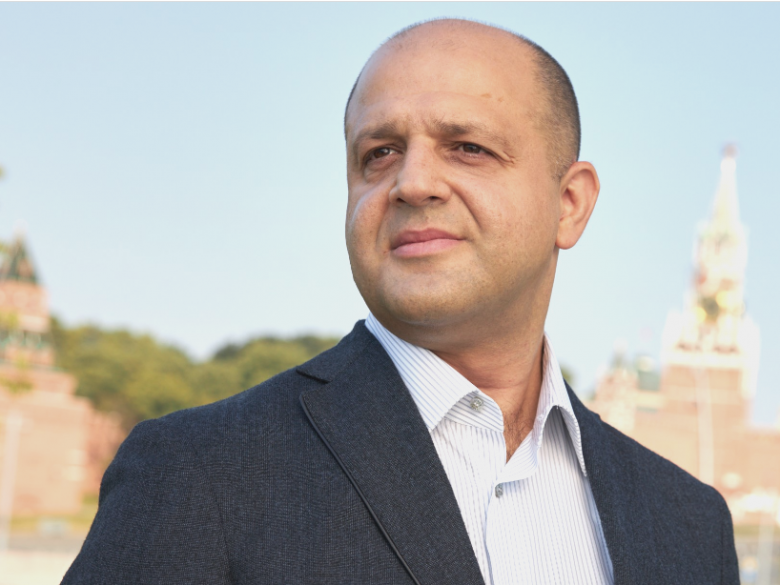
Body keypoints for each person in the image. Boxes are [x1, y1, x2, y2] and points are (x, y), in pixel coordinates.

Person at [62, 19, 739, 585]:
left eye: (467, 148)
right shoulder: (199, 472)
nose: (413, 183)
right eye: (380, 153)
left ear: (569, 204)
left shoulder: (688, 524)